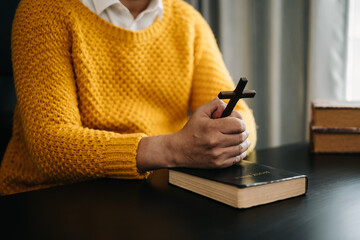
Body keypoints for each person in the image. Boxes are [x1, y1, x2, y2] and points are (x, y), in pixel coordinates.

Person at [0, 0, 257, 195]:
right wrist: (174, 149)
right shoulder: (44, 9)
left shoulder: (187, 21)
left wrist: (229, 137)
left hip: (154, 192)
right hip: (50, 197)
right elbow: (51, 147)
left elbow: (240, 113)